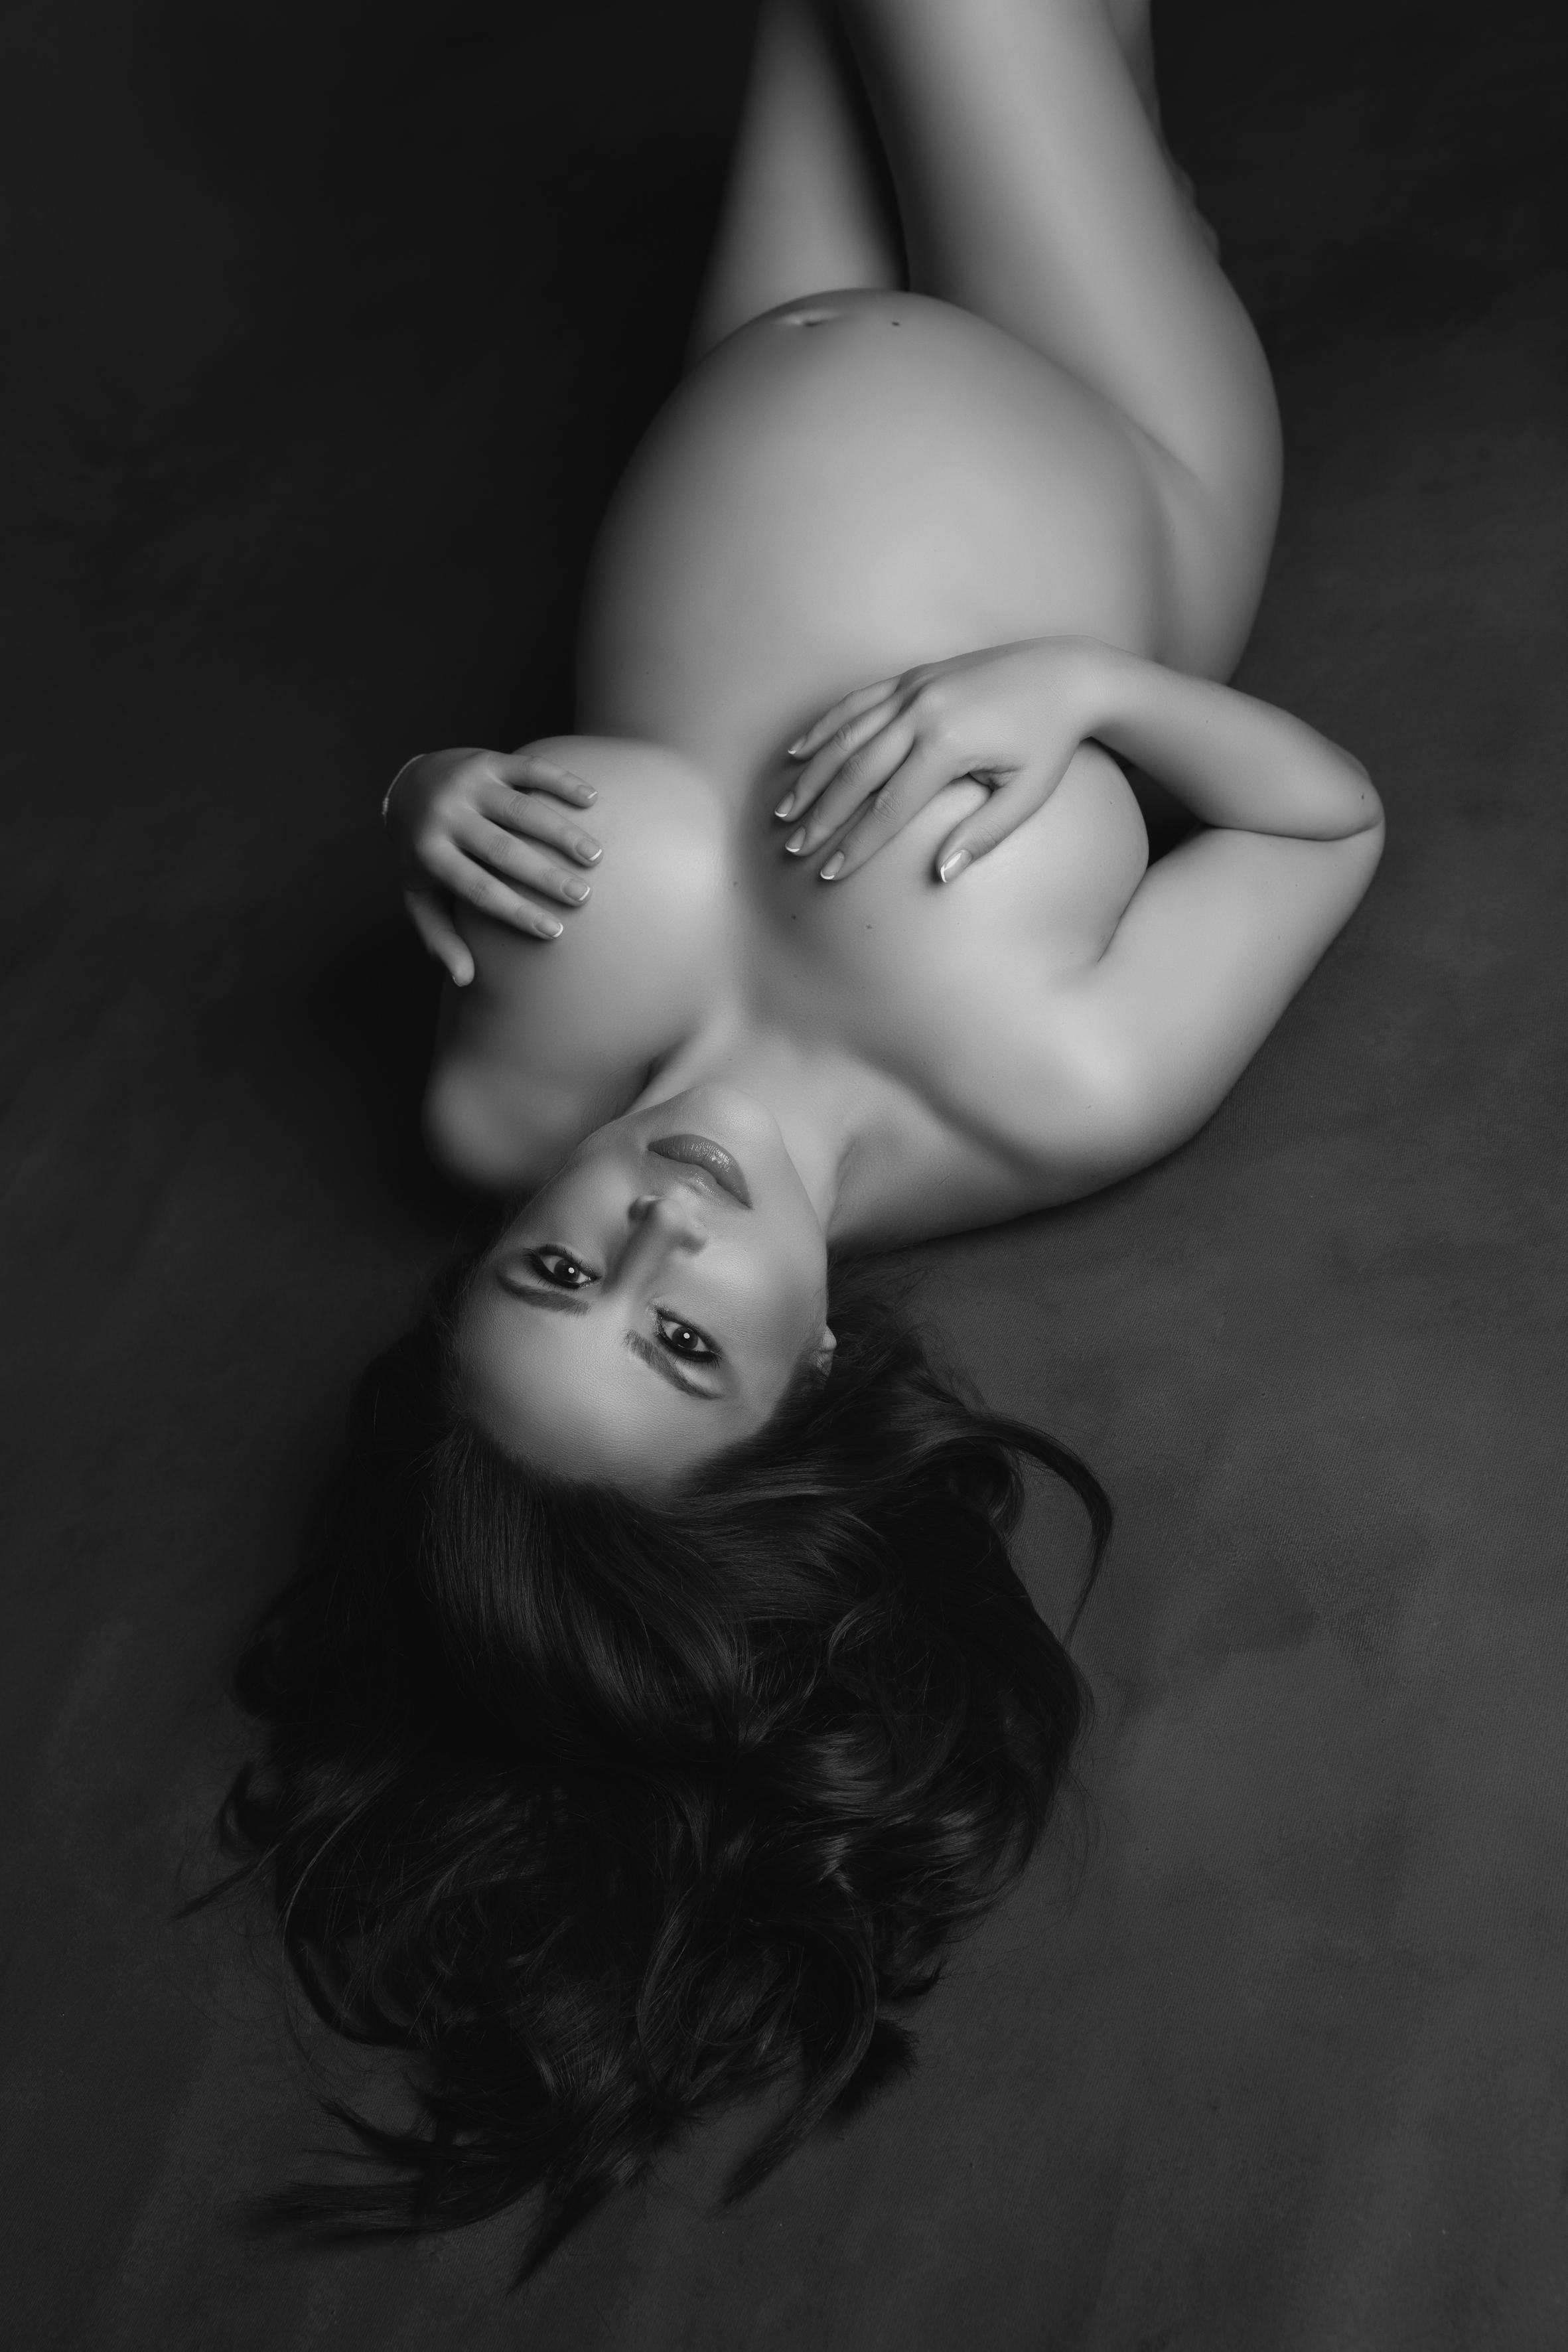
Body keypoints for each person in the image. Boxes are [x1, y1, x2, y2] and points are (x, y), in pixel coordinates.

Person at [220, 0, 1383, 2271]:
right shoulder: (1046, 1090)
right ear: (811, 1376)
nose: (651, 1233)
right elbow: (1318, 827)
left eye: (558, 1271)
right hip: (1110, 428)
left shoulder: (500, 1094)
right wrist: (1083, 690)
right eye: (684, 1342)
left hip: (754, 352)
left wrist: (428, 800)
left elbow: (446, 834)